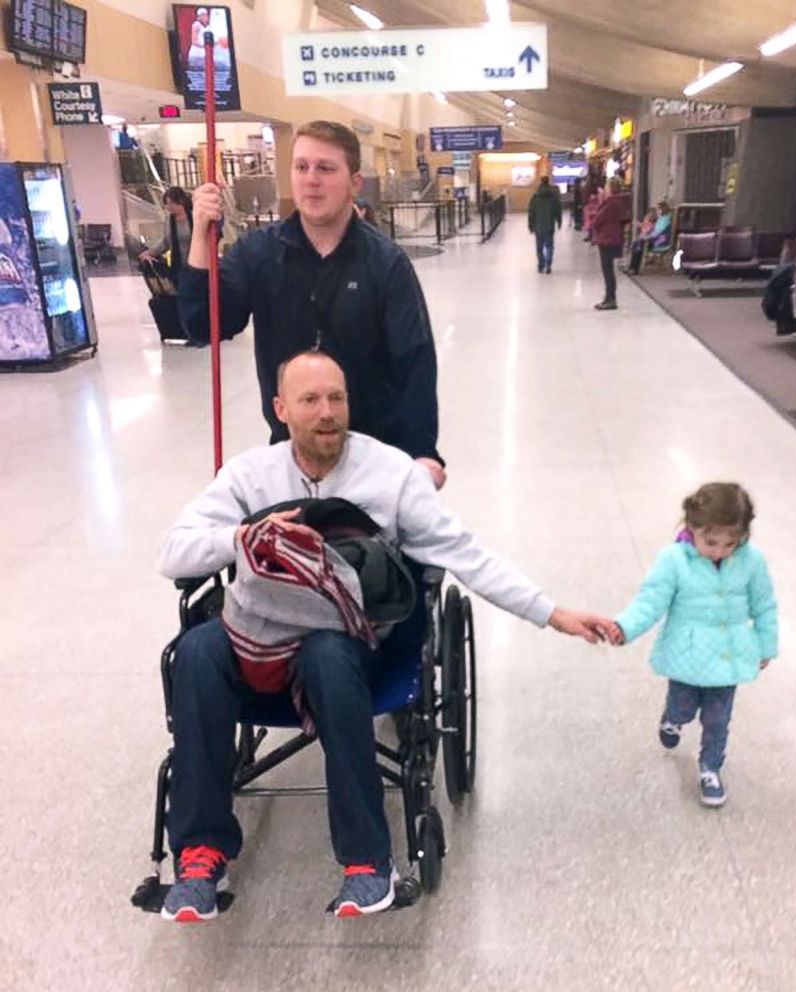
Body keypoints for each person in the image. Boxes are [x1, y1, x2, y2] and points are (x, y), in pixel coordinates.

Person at [157, 351, 612, 923]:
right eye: (310, 400)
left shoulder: (391, 474)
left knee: (326, 655)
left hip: (351, 641)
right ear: (280, 410)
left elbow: (466, 555)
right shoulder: (250, 475)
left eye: (337, 398)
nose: (328, 413)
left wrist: (552, 613)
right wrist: (245, 536)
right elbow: (172, 551)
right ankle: (201, 854)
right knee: (196, 652)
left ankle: (369, 862)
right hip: (264, 636)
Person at [179, 120, 446, 489]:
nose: (311, 179)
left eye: (326, 168)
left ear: (355, 183)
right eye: (301, 167)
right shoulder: (259, 253)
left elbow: (414, 359)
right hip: (292, 460)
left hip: (376, 460)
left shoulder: (385, 263)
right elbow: (203, 323)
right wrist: (199, 233)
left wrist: (423, 452)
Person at [604, 483, 778, 808]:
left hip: (729, 656)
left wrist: (765, 645)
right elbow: (650, 601)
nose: (720, 551)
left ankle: (710, 768)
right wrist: (625, 627)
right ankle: (672, 717)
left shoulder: (751, 562)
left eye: (731, 543)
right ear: (691, 528)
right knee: (684, 706)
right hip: (687, 654)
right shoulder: (673, 560)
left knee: (718, 719)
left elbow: (764, 605)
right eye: (710, 542)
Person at [590, 179, 632, 311]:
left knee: (607, 270)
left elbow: (598, 220)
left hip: (607, 238)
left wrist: (593, 219)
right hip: (614, 237)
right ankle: (609, 297)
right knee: (609, 270)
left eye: (607, 186)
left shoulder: (611, 203)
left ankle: (610, 299)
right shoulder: (620, 203)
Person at [138, 187, 194, 283]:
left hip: (194, 265)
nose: (168, 207)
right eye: (166, 204)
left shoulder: (194, 218)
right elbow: (166, 242)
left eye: (171, 204)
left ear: (181, 201)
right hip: (178, 266)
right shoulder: (169, 220)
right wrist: (150, 253)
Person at [527, 175, 562, 274]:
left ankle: (541, 265)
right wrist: (559, 221)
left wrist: (530, 224)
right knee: (549, 246)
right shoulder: (553, 197)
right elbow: (558, 210)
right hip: (549, 226)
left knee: (539, 247)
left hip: (538, 226)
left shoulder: (535, 197)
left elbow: (531, 212)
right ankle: (548, 265)